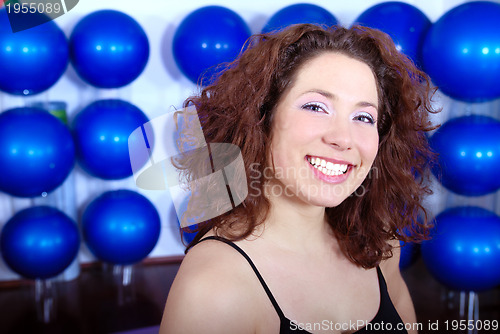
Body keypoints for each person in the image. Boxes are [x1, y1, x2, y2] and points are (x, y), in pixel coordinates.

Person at [160, 23, 438, 334]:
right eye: (316, 107)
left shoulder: (378, 246)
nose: (343, 139)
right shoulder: (213, 286)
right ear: (261, 119)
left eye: (363, 117)